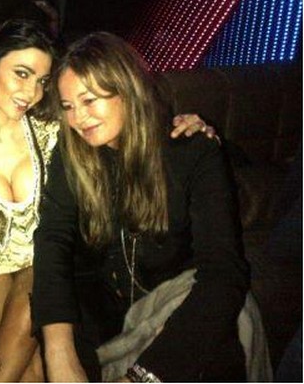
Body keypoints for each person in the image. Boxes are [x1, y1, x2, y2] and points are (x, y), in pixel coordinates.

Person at [0, 21, 216, 381]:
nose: (32, 92)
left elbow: (125, 127)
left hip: (46, 264)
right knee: (24, 365)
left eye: (42, 81)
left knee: (30, 314)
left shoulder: (54, 131)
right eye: (22, 73)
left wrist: (197, 129)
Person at [31, 32, 250, 382]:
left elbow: (223, 272)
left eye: (89, 100)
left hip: (174, 309)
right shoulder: (73, 154)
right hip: (101, 312)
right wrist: (59, 350)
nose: (78, 118)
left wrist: (143, 376)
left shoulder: (191, 152)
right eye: (68, 106)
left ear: (127, 90)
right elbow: (52, 239)